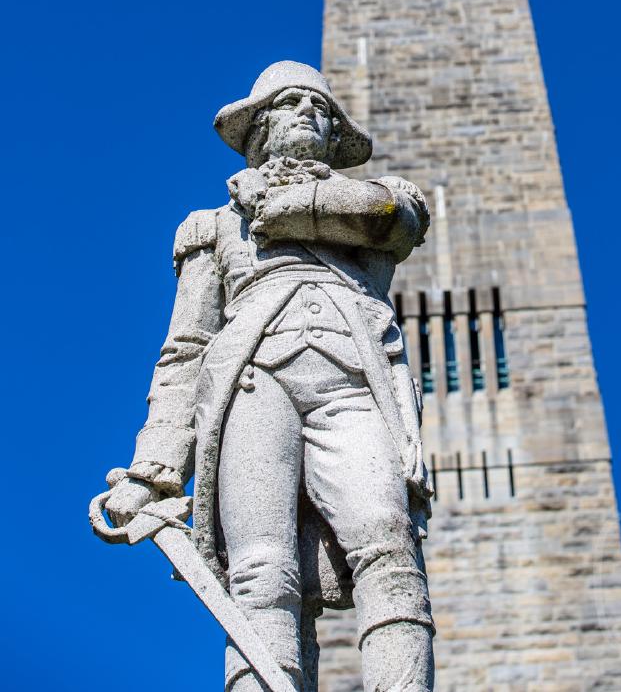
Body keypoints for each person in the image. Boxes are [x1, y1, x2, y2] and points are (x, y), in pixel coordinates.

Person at [104, 61, 435, 692]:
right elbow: (186, 350)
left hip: (352, 382)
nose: (309, 112)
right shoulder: (213, 225)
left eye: (321, 107)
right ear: (259, 126)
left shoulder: (379, 202)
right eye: (289, 103)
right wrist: (154, 468)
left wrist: (285, 207)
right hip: (253, 385)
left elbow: (389, 215)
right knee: (261, 570)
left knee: (389, 544)